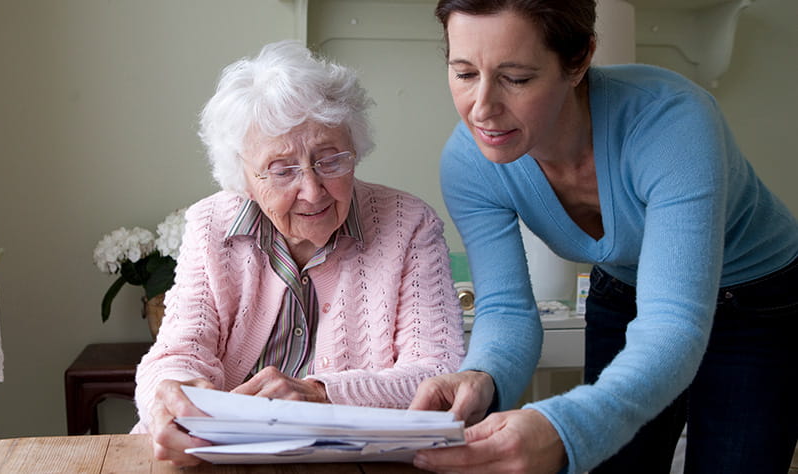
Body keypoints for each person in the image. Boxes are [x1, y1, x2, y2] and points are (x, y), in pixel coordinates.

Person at [409, 1, 798, 473]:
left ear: (578, 61)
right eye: (465, 73)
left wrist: (564, 427)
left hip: (760, 302)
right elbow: (506, 308)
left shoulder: (672, 122)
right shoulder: (469, 163)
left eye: (516, 78)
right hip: (622, 289)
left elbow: (672, 324)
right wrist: (482, 374)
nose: (482, 109)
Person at [132, 40, 466, 467]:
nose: (312, 190)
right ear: (244, 178)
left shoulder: (410, 225)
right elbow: (178, 350)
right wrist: (172, 393)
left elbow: (437, 374)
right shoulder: (210, 225)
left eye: (330, 160)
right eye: (281, 169)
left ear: (355, 150)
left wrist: (318, 394)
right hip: (217, 461)